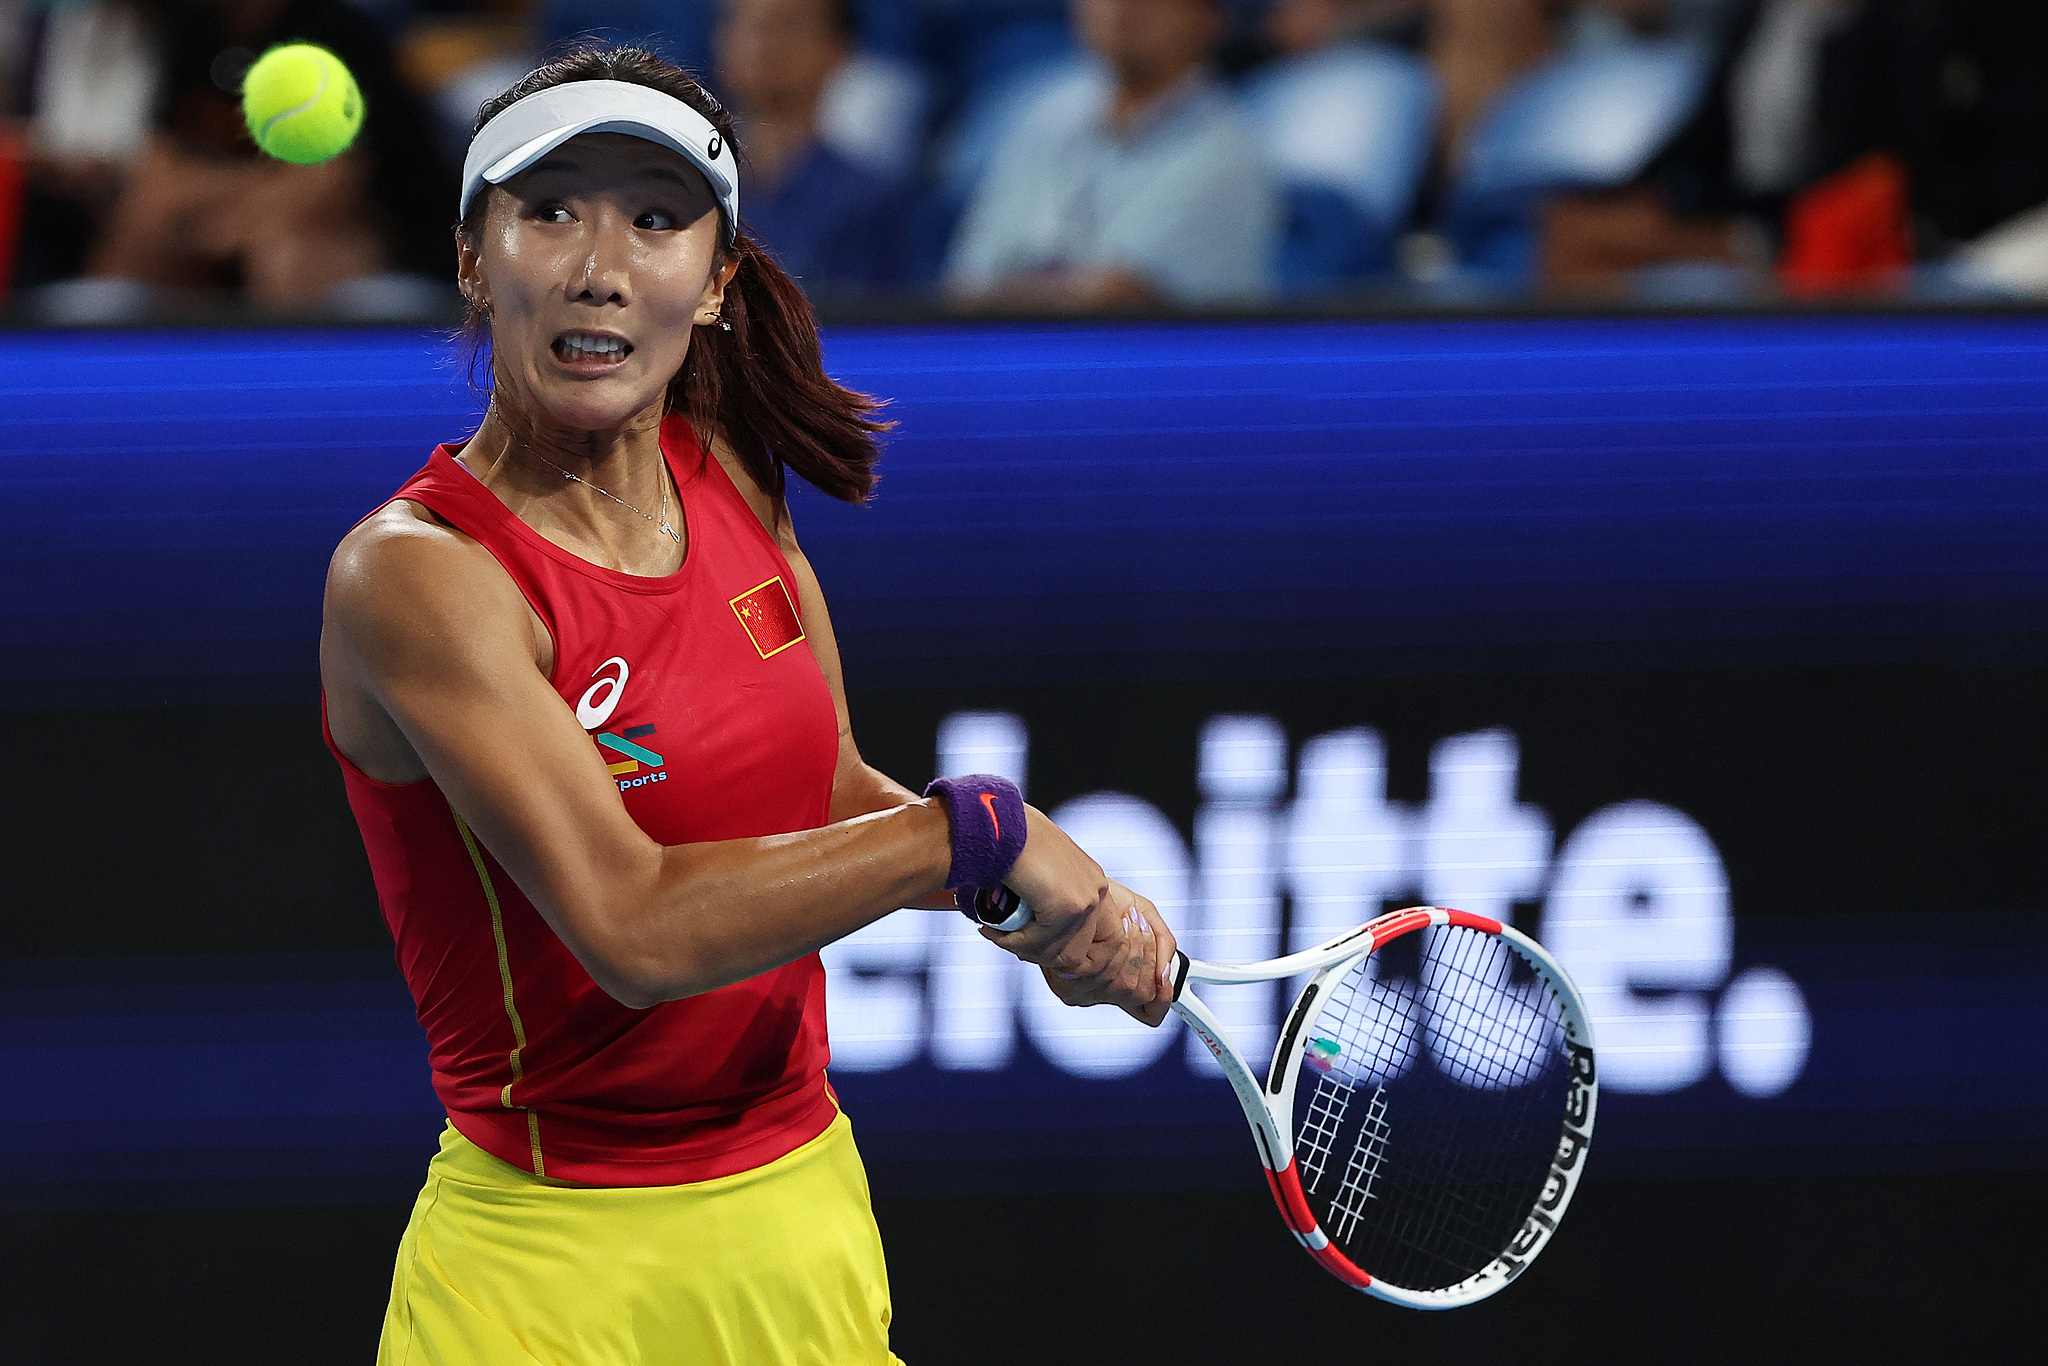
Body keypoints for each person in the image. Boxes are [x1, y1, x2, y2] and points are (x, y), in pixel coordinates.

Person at [319, 45, 1178, 1364]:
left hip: (799, 1226)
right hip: (547, 1278)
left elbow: (824, 790)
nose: (600, 264)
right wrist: (974, 837)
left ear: (714, 281)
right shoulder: (420, 577)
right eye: (550, 210)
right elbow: (633, 929)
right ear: (475, 257)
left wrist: (1031, 906)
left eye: (656, 220)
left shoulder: (722, 470)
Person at [944, 0, 1280, 310]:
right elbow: (965, 285)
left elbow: (1116, 301)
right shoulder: (1043, 119)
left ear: (1209, 19)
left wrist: (1011, 288)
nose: (1123, 8)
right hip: (1025, 364)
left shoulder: (1230, 155)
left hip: (1156, 370)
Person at [715, 0, 909, 292]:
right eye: (749, 24)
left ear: (838, 48)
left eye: (788, 26)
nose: (764, 43)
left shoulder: (866, 202)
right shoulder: (696, 180)